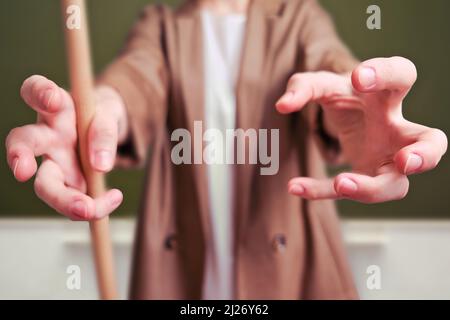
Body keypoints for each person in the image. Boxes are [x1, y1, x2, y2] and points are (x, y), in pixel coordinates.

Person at [5, 0, 447, 299]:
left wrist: (356, 105)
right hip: (183, 280)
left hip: (292, 275)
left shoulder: (298, 17)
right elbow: (135, 81)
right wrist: (97, 115)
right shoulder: (160, 26)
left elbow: (328, 67)